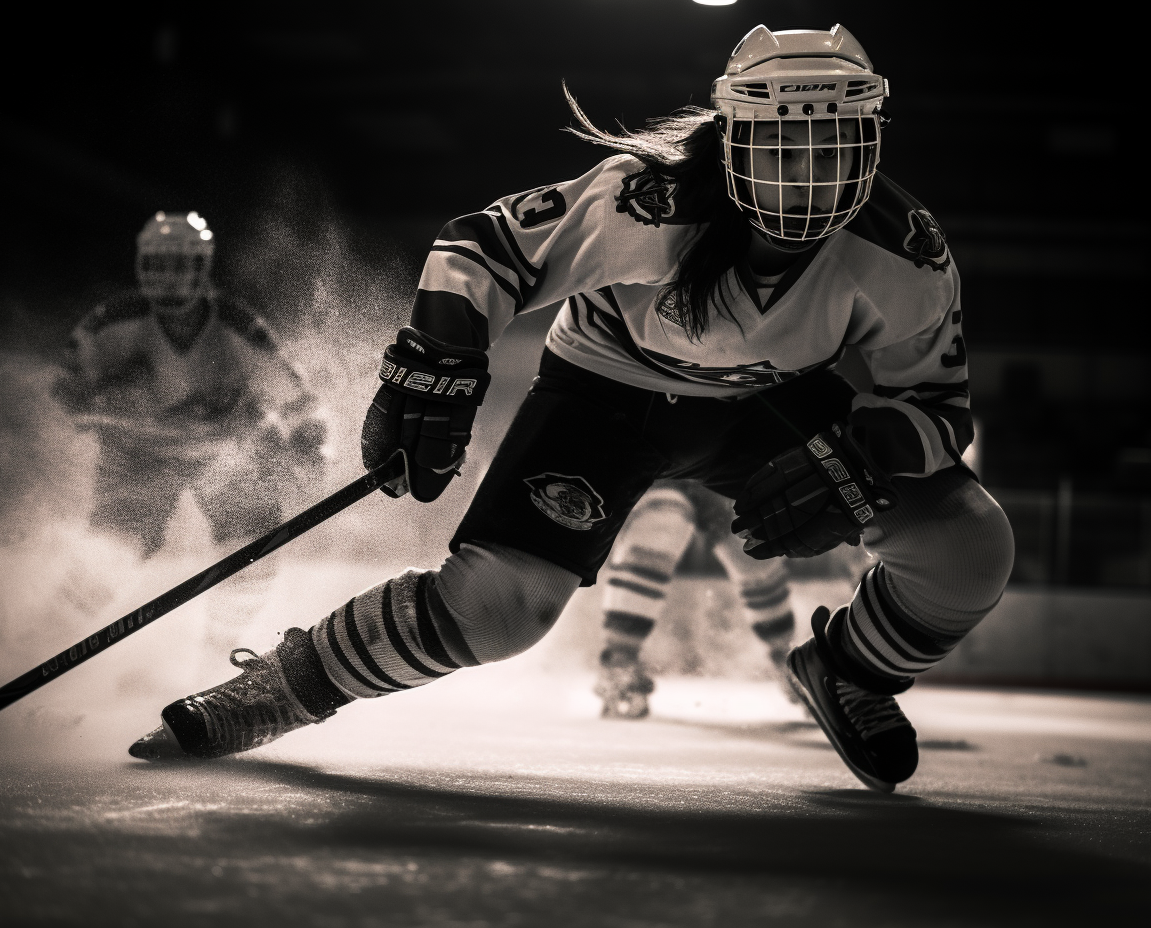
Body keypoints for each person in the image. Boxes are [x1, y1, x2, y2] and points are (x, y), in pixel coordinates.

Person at [129, 25, 1014, 794]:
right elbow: (485, 248)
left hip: (766, 404)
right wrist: (439, 359)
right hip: (606, 391)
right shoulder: (651, 197)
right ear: (730, 140)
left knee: (970, 548)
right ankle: (284, 686)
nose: (806, 175)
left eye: (829, 146)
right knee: (501, 609)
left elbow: (935, 405)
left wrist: (870, 448)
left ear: (871, 141)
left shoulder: (906, 254)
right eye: (783, 144)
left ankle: (848, 672)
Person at [52, 211, 326, 645]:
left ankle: (217, 657)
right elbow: (66, 391)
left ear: (202, 268)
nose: (168, 278)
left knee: (249, 556)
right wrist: (102, 402)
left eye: (179, 265)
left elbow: (297, 403)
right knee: (107, 557)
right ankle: (48, 642)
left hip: (226, 455)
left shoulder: (238, 328)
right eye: (158, 265)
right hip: (139, 456)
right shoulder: (108, 325)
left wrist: (307, 447)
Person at [593, 479, 804, 718]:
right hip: (657, 469)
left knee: (752, 543)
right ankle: (620, 660)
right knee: (662, 523)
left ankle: (787, 657)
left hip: (715, 471)